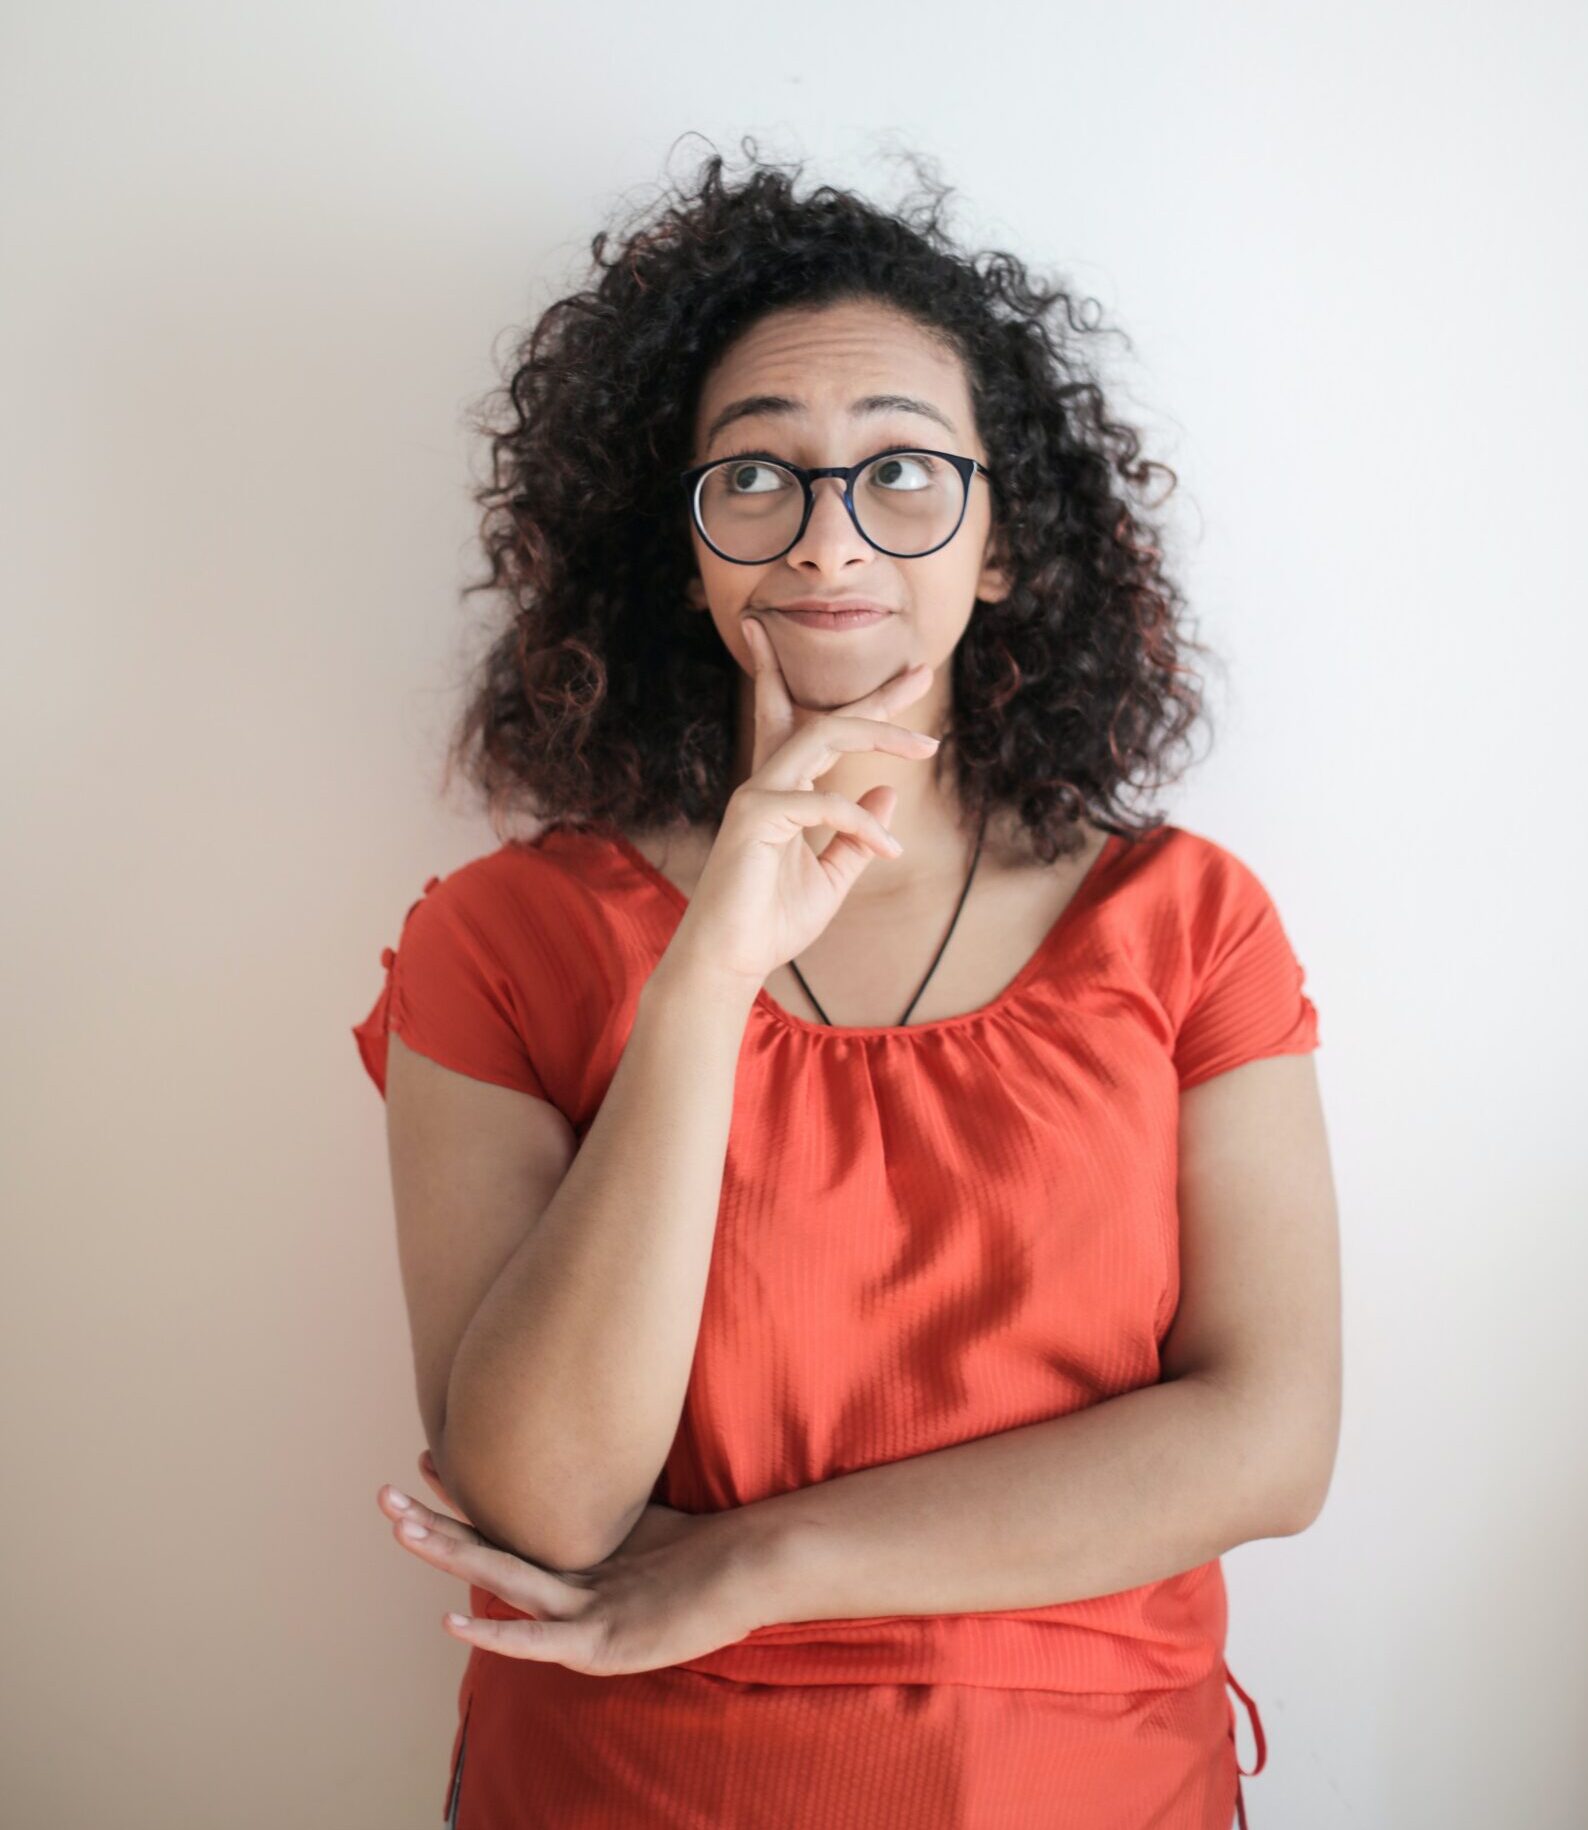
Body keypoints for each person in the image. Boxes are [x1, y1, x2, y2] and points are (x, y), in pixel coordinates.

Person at [353, 141, 1340, 1830]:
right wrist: (710, 966)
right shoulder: (500, 941)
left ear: (1003, 541)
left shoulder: (1187, 922)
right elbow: (543, 1503)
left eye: (904, 473)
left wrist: (753, 1563)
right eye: (757, 476)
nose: (829, 538)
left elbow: (1269, 1440)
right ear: (685, 551)